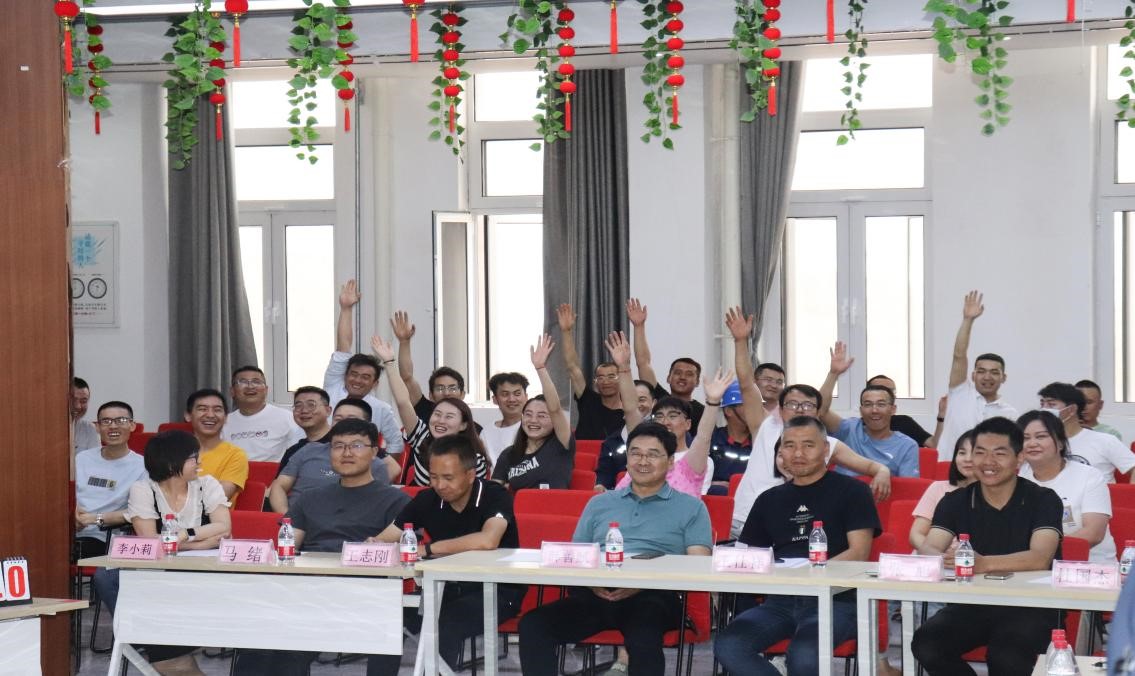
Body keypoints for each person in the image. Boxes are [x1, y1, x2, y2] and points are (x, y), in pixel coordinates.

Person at [518, 422, 713, 676]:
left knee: (643, 638)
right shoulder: (600, 503)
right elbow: (577, 555)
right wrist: (592, 584)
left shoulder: (691, 507)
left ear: (671, 462)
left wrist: (641, 584)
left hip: (654, 596)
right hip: (595, 594)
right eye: (635, 453)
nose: (643, 461)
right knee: (533, 624)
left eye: (653, 454)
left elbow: (698, 565)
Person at [232, 418, 411, 676]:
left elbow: (404, 552)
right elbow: (288, 548)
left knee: (293, 648)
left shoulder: (396, 500)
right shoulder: (311, 498)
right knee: (258, 641)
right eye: (338, 446)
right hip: (309, 587)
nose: (346, 453)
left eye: (356, 445)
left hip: (364, 591)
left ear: (374, 452)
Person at [715, 416, 881, 675]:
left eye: (808, 445)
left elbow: (858, 553)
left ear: (826, 450)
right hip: (780, 601)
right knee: (729, 645)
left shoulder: (853, 491)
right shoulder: (769, 499)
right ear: (780, 452)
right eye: (790, 445)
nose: (798, 453)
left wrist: (807, 574)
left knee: (804, 655)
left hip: (836, 599)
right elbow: (750, 554)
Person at [910, 417, 1064, 676]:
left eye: (999, 453)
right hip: (972, 604)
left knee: (1006, 656)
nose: (988, 462)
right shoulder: (955, 501)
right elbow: (930, 546)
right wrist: (941, 557)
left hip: (1031, 606)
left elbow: (1040, 557)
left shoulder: (1043, 499)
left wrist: (983, 563)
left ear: (1019, 458)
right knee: (927, 644)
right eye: (980, 452)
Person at [371, 435, 525, 672]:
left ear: (470, 475)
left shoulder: (495, 495)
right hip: (442, 589)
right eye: (433, 477)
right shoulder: (427, 499)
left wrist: (429, 549)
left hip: (496, 591)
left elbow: (488, 540)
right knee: (389, 619)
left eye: (448, 477)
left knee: (445, 623)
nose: (440, 485)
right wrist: (371, 545)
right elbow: (387, 537)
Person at [92, 430, 232, 675]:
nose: (199, 463)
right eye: (193, 458)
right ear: (171, 463)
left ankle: (158, 645)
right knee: (106, 576)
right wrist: (201, 542)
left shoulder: (207, 485)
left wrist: (185, 534)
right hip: (159, 566)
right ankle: (146, 638)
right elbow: (150, 541)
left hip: (202, 567)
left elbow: (223, 527)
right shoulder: (143, 489)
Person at [609, 331, 732, 497]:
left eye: (673, 416)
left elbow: (703, 436)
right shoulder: (640, 458)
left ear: (688, 424)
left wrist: (712, 402)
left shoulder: (692, 461)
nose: (665, 422)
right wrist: (623, 367)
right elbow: (631, 409)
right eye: (659, 416)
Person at [372, 336, 492, 486]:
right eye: (437, 414)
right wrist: (389, 363)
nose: (440, 421)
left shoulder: (475, 457)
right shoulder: (422, 438)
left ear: (463, 424)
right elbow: (403, 402)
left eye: (449, 416)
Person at [1018, 409, 1115, 562]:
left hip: (1088, 565)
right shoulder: (1017, 478)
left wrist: (1042, 552)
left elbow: (1093, 533)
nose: (1032, 443)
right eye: (1025, 438)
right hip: (1032, 564)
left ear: (1061, 442)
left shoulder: (1089, 476)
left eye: (1041, 436)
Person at [269, 398, 394, 513]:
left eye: (351, 419)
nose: (343, 424)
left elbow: (376, 506)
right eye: (338, 419)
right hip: (294, 521)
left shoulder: (374, 464)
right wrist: (287, 519)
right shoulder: (308, 450)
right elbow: (279, 486)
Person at [322, 279, 404, 450]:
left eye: (365, 377)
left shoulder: (381, 409)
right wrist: (346, 309)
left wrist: (380, 464)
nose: (358, 380)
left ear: (375, 383)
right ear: (345, 376)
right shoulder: (333, 388)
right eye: (354, 374)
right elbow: (343, 346)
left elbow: (396, 444)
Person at [936, 291, 1018, 460]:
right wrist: (968, 320)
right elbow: (959, 355)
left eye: (994, 372)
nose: (987, 377)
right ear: (973, 376)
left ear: (1004, 378)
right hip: (949, 469)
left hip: (987, 472)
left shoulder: (1010, 414)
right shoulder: (960, 393)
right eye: (981, 371)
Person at [819, 341, 920, 477]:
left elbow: (908, 486)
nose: (874, 410)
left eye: (881, 404)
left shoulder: (907, 445)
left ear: (893, 409)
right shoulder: (850, 429)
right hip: (841, 489)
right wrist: (833, 374)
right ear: (861, 410)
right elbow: (821, 410)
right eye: (868, 404)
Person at [492, 335, 574, 490]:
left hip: (554, 505)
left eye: (541, 416)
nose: (533, 420)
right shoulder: (508, 455)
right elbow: (494, 491)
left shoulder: (561, 444)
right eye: (528, 414)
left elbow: (555, 409)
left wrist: (540, 368)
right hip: (519, 507)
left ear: (553, 421)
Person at [389, 309, 483, 434]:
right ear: (431, 395)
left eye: (452, 388)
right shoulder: (424, 411)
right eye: (440, 388)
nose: (446, 393)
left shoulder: (474, 429)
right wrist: (404, 342)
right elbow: (407, 377)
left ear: (462, 394)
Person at [74, 401, 147, 558]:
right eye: (106, 421)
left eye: (121, 420)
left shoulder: (142, 466)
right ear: (97, 427)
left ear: (132, 425)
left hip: (104, 537)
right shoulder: (82, 458)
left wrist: (95, 519)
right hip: (69, 532)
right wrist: (72, 514)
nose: (113, 426)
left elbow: (139, 510)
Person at [626, 297, 705, 427]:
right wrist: (639, 326)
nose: (682, 377)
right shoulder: (659, 399)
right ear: (669, 378)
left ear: (697, 382)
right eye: (678, 372)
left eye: (689, 374)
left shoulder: (702, 412)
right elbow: (643, 363)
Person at [1038, 381, 1135, 482]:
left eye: (1051, 404)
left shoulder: (1105, 441)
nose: (1044, 409)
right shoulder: (1040, 442)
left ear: (1072, 409)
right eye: (1042, 404)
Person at [557, 302, 625, 440]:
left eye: (611, 376)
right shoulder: (588, 400)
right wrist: (566, 332)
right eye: (601, 377)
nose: (605, 381)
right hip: (582, 452)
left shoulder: (630, 410)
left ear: (622, 378)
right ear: (595, 382)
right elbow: (572, 366)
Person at [909, 430, 977, 553]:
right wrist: (940, 556)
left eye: (974, 453)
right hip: (934, 557)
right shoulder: (938, 488)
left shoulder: (995, 494)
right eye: (962, 453)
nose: (967, 459)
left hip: (973, 561)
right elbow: (916, 534)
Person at [220, 366, 302, 462]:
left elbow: (299, 455)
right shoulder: (222, 423)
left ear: (266, 390)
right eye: (243, 382)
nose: (250, 386)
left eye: (256, 382)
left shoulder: (287, 418)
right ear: (232, 391)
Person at [184, 388, 248, 504]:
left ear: (226, 417)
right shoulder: (173, 451)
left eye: (217, 410)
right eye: (202, 409)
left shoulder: (235, 455)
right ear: (188, 415)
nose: (210, 415)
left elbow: (218, 497)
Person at [594, 379, 656, 490]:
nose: (636, 405)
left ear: (653, 403)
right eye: (631, 400)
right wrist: (600, 486)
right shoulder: (611, 442)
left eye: (642, 400)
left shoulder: (664, 437)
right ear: (622, 403)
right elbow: (605, 474)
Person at [867, 374, 945, 448]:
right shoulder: (860, 428)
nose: (887, 394)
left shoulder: (904, 422)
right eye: (881, 390)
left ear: (893, 409)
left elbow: (934, 444)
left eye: (891, 391)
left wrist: (941, 416)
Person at [275, 386, 333, 476]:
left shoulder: (340, 444)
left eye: (311, 405)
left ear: (328, 411)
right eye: (298, 406)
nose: (304, 410)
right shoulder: (293, 451)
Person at [708, 381, 753, 493]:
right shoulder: (711, 441)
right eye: (747, 405)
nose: (754, 410)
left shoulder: (761, 442)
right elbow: (692, 477)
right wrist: (711, 484)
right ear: (728, 411)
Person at [482, 372, 530, 465]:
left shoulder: (533, 428)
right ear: (495, 399)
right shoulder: (487, 431)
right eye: (505, 394)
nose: (511, 399)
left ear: (526, 397)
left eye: (517, 394)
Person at [72, 376, 100, 454]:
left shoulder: (89, 429)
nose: (78, 406)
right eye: (73, 400)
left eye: (83, 401)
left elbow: (94, 459)